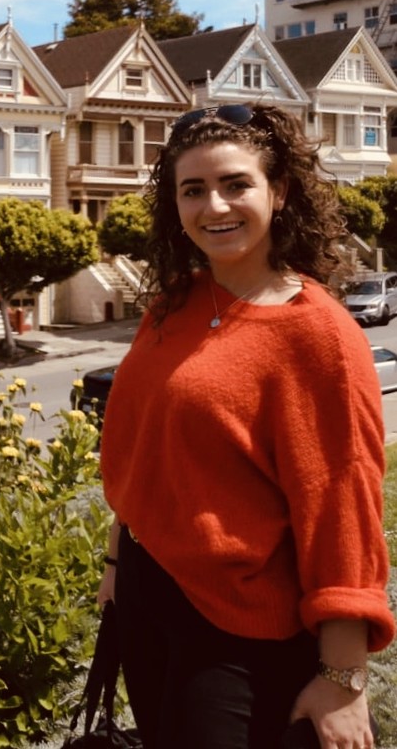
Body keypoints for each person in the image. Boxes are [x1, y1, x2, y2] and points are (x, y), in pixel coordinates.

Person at [98, 103, 394, 749]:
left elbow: (342, 508)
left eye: (236, 184)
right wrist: (119, 561)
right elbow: (146, 450)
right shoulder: (172, 307)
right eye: (193, 190)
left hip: (241, 627)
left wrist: (343, 679)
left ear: (279, 191)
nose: (214, 206)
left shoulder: (317, 335)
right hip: (149, 592)